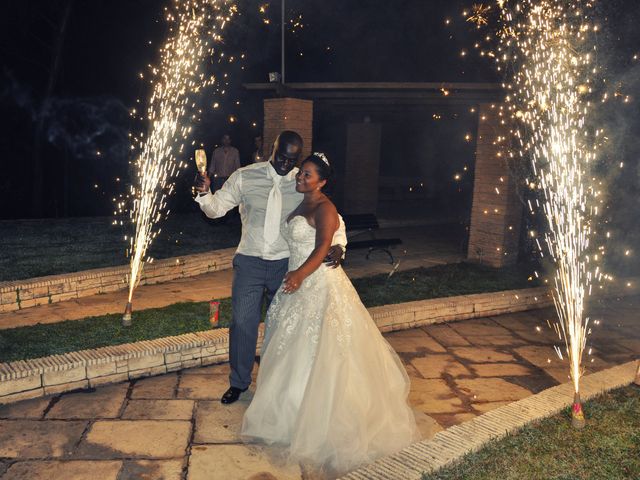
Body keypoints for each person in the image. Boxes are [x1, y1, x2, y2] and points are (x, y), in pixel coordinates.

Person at [241, 153, 419, 475]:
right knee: (291, 350)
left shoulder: (324, 206)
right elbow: (331, 237)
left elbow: (325, 243)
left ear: (322, 181)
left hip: (317, 283)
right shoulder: (299, 202)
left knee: (325, 352)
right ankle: (289, 412)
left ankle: (320, 421)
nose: (301, 178)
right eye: (301, 173)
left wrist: (301, 274)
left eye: (308, 175)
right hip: (296, 283)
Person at [194, 131, 347, 405]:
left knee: (281, 328)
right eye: (282, 157)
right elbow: (216, 209)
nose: (287, 165)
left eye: (292, 159)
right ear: (271, 148)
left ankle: (273, 385)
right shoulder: (245, 176)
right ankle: (239, 383)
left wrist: (339, 243)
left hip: (286, 265)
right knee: (242, 324)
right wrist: (204, 193)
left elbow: (330, 213)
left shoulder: (302, 181)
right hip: (250, 261)